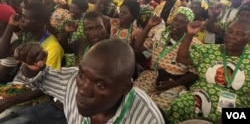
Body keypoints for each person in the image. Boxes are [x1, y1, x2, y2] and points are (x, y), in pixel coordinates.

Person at [13, 39, 166, 124]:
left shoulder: (147, 119)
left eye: (100, 85)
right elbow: (35, 79)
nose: (83, 90)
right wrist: (30, 65)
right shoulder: (70, 80)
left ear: (126, 88)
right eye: (82, 75)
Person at [166, 20, 250, 123]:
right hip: (199, 99)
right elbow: (182, 59)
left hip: (236, 108)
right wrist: (190, 34)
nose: (232, 36)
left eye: (240, 34)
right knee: (178, 106)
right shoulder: (208, 50)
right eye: (230, 31)